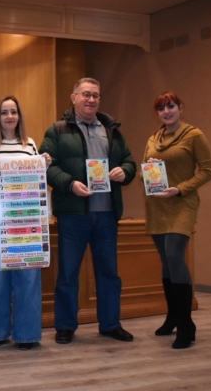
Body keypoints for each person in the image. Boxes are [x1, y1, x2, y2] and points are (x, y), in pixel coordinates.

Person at [39, 78, 136, 345]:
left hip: (107, 214)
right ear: (73, 98)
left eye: (95, 95)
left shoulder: (112, 130)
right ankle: (66, 325)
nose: (91, 99)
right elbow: (47, 165)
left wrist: (123, 171)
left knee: (109, 273)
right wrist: (70, 184)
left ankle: (110, 324)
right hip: (73, 214)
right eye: (86, 94)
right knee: (68, 272)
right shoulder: (57, 130)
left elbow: (130, 161)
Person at [0, 95, 51, 350]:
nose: (9, 116)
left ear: (19, 116)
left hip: (25, 215)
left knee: (28, 275)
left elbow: (36, 184)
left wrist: (44, 166)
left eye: (13, 112)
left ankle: (27, 334)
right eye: (4, 112)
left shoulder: (30, 146)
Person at [142, 92, 211, 349]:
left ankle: (186, 324)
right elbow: (143, 174)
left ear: (181, 108)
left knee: (174, 256)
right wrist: (149, 168)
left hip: (181, 204)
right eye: (161, 108)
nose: (166, 111)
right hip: (157, 206)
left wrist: (180, 188)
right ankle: (172, 316)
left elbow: (207, 171)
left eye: (171, 106)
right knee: (166, 262)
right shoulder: (153, 138)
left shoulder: (194, 135)